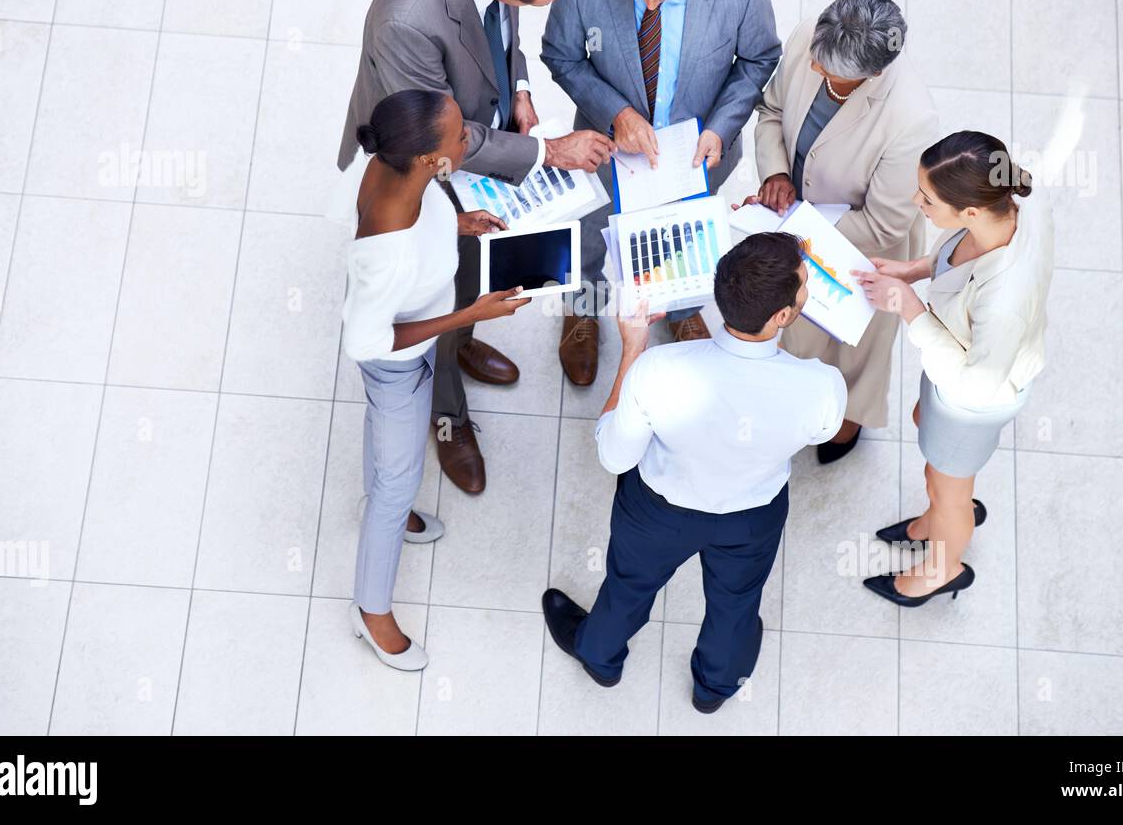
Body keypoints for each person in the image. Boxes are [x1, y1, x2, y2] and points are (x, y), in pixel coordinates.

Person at [338, 0, 615, 495]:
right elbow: (451, 137)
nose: (529, 10)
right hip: (429, 156)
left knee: (472, 262)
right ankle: (449, 417)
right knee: (437, 288)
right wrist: (546, 151)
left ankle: (461, 342)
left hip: (475, 133)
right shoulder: (404, 24)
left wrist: (518, 91)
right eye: (530, 2)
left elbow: (504, 34)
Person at [541, 233, 847, 713]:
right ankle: (715, 687)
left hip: (656, 512)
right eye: (805, 286)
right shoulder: (821, 385)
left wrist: (633, 348)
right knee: (737, 605)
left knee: (627, 584)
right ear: (783, 316)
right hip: (752, 516)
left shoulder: (658, 368)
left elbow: (614, 457)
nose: (808, 290)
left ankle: (600, 656)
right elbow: (824, 432)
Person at [540, 0, 781, 383]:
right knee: (590, 232)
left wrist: (721, 126)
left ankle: (680, 310)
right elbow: (561, 56)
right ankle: (583, 310)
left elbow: (758, 59)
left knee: (681, 233)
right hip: (606, 148)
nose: (650, 7)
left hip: (696, 151)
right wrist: (618, 113)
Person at [343, 90, 530, 670]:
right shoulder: (389, 253)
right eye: (456, 137)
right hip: (397, 365)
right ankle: (371, 611)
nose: (467, 138)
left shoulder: (392, 164)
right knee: (400, 481)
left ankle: (384, 501)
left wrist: (456, 222)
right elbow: (369, 341)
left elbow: (416, 215)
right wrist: (469, 318)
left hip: (410, 347)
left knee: (388, 451)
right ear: (427, 159)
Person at [852, 131, 1053, 605]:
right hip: (951, 357)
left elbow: (975, 385)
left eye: (926, 198)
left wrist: (909, 309)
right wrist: (914, 271)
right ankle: (935, 517)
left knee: (949, 489)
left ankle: (944, 565)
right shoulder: (1009, 204)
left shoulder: (1005, 298)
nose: (915, 201)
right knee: (929, 438)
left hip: (971, 399)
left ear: (969, 212)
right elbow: (955, 258)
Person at [748, 0, 938, 464]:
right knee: (796, 329)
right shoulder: (811, 35)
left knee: (852, 349)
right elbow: (771, 110)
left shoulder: (912, 120)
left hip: (865, 243)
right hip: (794, 216)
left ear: (873, 74)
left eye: (828, 74)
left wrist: (794, 227)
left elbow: (884, 223)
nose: (814, 70)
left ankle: (846, 419)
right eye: (815, 59)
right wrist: (774, 172)